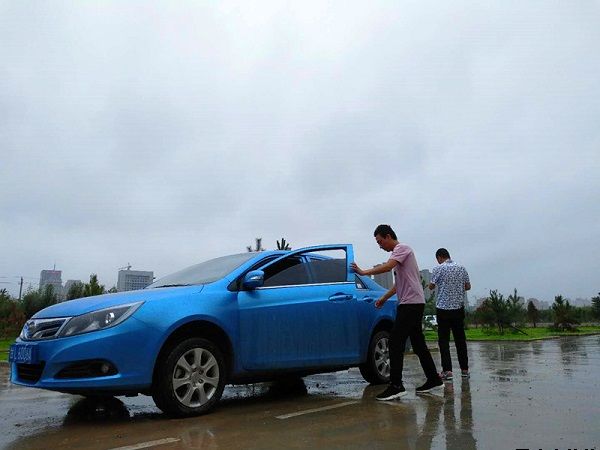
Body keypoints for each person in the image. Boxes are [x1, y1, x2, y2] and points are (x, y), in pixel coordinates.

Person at [351, 224, 442, 400]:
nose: (380, 246)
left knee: (394, 342)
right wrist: (384, 298)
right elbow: (398, 285)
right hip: (412, 302)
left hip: (411, 304)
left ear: (388, 236)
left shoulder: (402, 249)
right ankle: (434, 379)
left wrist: (363, 272)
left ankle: (396, 385)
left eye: (380, 242)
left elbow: (387, 267)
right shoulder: (400, 256)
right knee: (418, 344)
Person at [428, 248, 471, 380]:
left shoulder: (438, 269)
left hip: (443, 309)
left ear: (439, 257)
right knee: (460, 340)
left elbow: (431, 286)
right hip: (458, 308)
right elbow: (468, 286)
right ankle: (465, 370)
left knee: (444, 341)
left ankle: (448, 371)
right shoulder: (462, 268)